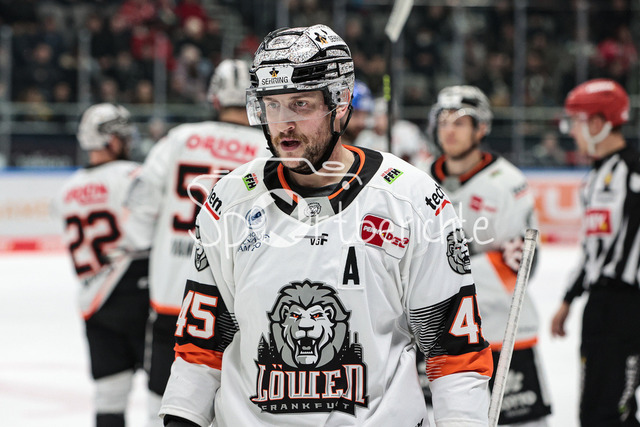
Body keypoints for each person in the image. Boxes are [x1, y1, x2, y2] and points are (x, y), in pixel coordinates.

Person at [159, 24, 493, 427]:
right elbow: (201, 345)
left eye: (300, 104)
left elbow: (454, 351)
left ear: (341, 103)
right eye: (272, 105)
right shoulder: (228, 201)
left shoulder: (412, 199)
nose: (283, 124)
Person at [122, 59, 268, 426]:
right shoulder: (267, 148)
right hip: (236, 300)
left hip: (173, 293)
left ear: (214, 98)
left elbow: (139, 211)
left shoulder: (179, 138)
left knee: (165, 401)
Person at [424, 85, 552, 426]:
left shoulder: (508, 183)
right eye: (443, 121)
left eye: (460, 122)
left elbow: (519, 266)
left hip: (498, 332)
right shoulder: (418, 179)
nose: (449, 130)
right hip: (436, 338)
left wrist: (440, 274)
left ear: (481, 128)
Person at [51, 103, 150, 427]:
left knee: (109, 399)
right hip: (139, 294)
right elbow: (147, 234)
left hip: (94, 303)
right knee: (163, 396)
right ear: (111, 139)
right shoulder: (133, 176)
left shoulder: (66, 190)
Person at [551, 78, 640, 426]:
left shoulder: (634, 170)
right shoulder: (594, 178)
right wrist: (568, 299)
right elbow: (591, 250)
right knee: (592, 411)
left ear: (600, 123)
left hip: (629, 306)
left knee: (615, 411)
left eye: (576, 121)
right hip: (598, 307)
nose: (571, 131)